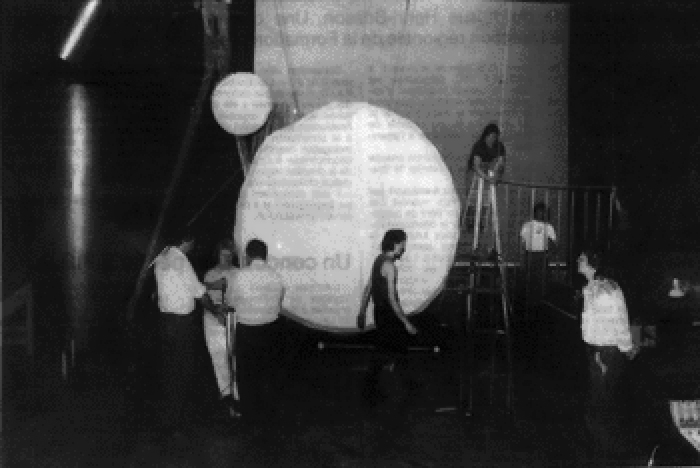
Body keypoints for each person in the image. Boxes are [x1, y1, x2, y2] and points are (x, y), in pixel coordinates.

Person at [153, 231, 218, 439]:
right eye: (192, 243)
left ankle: (168, 418)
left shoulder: (161, 257)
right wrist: (216, 311)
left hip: (166, 322)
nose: (193, 246)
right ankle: (177, 422)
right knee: (183, 370)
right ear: (186, 241)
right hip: (182, 324)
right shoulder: (181, 261)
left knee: (169, 370)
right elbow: (199, 292)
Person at [577, 248, 639, 457]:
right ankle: (600, 452)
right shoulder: (593, 287)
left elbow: (619, 321)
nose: (579, 260)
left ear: (592, 264)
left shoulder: (606, 290)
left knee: (599, 407)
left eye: (582, 258)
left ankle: (604, 454)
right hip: (598, 351)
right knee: (597, 405)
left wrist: (626, 347)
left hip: (605, 352)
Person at [225, 239, 285, 426]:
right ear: (265, 255)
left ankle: (250, 416)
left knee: (246, 375)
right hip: (270, 330)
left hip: (247, 331)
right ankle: (269, 414)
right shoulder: (276, 276)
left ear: (248, 256)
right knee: (268, 372)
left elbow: (230, 302)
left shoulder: (240, 276)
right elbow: (280, 300)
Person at [358, 229, 418, 407]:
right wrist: (406, 322)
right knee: (388, 350)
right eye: (403, 244)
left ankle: (379, 387)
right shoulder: (390, 267)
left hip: (380, 313)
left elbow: (369, 287)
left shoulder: (378, 260)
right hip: (389, 314)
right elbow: (392, 299)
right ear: (397, 243)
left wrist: (361, 312)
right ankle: (371, 390)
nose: (405, 247)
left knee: (392, 349)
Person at [202, 239, 239, 418]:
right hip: (213, 319)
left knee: (234, 356)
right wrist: (217, 311)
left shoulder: (238, 274)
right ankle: (225, 394)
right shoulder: (210, 274)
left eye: (230, 255)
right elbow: (204, 298)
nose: (227, 258)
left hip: (233, 318)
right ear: (218, 254)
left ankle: (237, 395)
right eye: (224, 254)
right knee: (218, 356)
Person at [464, 123, 506, 252]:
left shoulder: (499, 147)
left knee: (486, 207)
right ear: (486, 135)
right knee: (473, 206)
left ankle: (487, 243)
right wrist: (488, 178)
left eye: (495, 137)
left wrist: (495, 174)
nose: (493, 139)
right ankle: (471, 230)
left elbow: (501, 163)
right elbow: (476, 166)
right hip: (476, 177)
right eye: (491, 136)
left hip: (488, 176)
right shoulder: (479, 146)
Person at [520, 202, 557, 314]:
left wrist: (550, 253)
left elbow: (555, 243)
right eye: (542, 211)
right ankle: (530, 305)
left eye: (545, 212)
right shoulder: (527, 225)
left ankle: (541, 304)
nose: (544, 214)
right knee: (530, 279)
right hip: (530, 254)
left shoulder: (548, 227)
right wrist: (522, 257)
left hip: (542, 255)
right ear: (536, 212)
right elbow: (522, 243)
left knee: (542, 280)